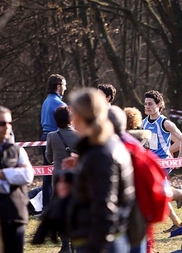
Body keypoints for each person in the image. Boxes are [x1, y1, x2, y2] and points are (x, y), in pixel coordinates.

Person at [65, 88, 135, 252]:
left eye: (73, 112)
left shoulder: (100, 154)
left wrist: (96, 246)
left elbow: (105, 206)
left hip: (101, 241)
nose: (71, 118)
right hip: (105, 237)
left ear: (81, 116)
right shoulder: (105, 146)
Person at [0, 106, 34, 253]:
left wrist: (0, 174)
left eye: (9, 123)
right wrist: (14, 176)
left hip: (16, 217)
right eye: (1, 123)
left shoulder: (17, 150)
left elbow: (27, 175)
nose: (6, 127)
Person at [142, 90, 182, 233]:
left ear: (159, 104)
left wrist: (178, 160)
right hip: (151, 163)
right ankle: (177, 194)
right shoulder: (143, 123)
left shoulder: (165, 123)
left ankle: (179, 199)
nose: (147, 107)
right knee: (158, 192)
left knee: (155, 192)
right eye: (145, 104)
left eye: (150, 104)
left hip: (163, 163)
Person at [45, 105, 79, 253]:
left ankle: (65, 246)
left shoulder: (51, 136)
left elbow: (49, 157)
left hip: (59, 179)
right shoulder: (79, 135)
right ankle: (75, 245)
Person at [40, 74, 67, 209]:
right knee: (61, 174)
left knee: (46, 174)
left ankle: (46, 207)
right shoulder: (59, 104)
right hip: (57, 138)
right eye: (64, 85)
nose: (65, 88)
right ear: (58, 86)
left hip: (44, 137)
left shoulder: (46, 101)